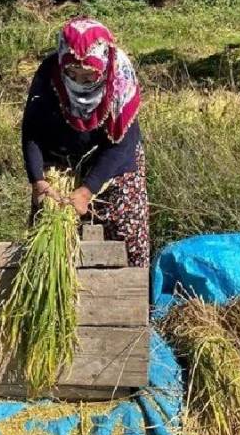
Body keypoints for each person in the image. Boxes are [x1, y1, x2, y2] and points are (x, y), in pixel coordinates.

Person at [19, 17, 150, 267]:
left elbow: (121, 145)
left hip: (113, 163)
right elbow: (32, 131)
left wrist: (87, 190)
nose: (79, 82)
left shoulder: (119, 78)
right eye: (72, 74)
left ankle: (131, 285)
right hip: (61, 162)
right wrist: (38, 181)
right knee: (47, 232)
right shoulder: (49, 74)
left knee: (127, 233)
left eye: (88, 77)